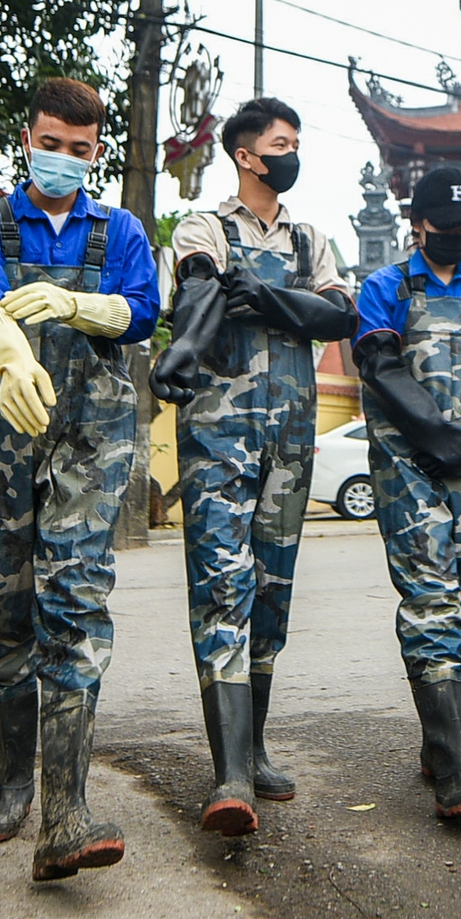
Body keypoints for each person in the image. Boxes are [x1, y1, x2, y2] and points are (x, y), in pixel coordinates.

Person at [0, 77, 158, 880]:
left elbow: (142, 308)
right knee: (0, 610)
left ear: (98, 151)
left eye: (80, 149)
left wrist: (74, 304)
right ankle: (14, 776)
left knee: (76, 598)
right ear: (27, 140)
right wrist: (13, 349)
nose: (63, 159)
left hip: (88, 434)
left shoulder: (120, 227)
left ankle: (68, 807)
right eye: (50, 143)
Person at [149, 98, 357, 836]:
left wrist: (265, 297)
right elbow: (203, 284)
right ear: (246, 154)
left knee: (272, 590)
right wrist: (196, 332)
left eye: (296, 141)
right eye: (281, 141)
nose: (291, 151)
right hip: (218, 433)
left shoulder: (310, 238)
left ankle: (258, 746)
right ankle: (229, 771)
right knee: (221, 586)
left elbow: (340, 316)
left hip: (291, 436)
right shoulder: (208, 225)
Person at [354, 167, 461, 818]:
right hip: (408, 464)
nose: (460, 238)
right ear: (419, 223)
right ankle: (455, 766)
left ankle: (438, 737)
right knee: (431, 596)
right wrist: (432, 432)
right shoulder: (384, 287)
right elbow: (380, 364)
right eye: (448, 228)